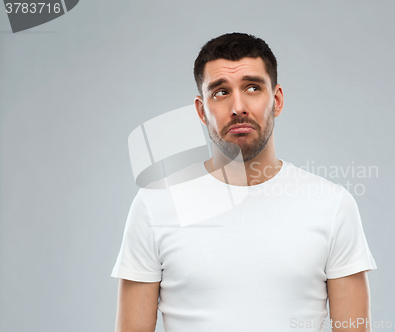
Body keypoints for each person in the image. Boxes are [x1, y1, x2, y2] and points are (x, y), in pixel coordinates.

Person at [111, 32, 377, 332]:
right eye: (221, 92)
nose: (238, 107)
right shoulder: (155, 204)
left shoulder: (332, 206)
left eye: (252, 87)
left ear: (276, 100)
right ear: (201, 110)